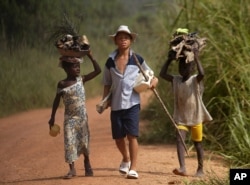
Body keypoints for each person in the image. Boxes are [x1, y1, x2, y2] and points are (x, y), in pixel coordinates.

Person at [101, 25, 158, 179]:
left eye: (126, 38)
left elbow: (151, 75)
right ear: (116, 41)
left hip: (133, 103)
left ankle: (133, 168)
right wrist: (104, 100)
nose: (123, 40)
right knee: (118, 138)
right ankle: (125, 158)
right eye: (120, 38)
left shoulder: (137, 59)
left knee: (132, 136)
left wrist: (154, 81)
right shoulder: (110, 61)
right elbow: (106, 83)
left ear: (131, 40)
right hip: (116, 105)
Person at [159, 48, 212, 177]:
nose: (183, 68)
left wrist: (197, 58)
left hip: (196, 117)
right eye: (181, 65)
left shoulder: (195, 80)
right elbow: (162, 74)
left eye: (187, 66)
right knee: (179, 139)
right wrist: (169, 59)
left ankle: (200, 169)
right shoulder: (176, 80)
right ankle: (182, 167)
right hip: (181, 117)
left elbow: (202, 74)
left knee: (197, 144)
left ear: (193, 68)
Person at [48, 51, 101, 179]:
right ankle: (72, 169)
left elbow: (98, 70)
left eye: (79, 66)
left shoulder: (81, 79)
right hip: (69, 119)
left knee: (84, 141)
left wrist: (90, 55)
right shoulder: (62, 84)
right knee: (69, 142)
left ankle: (87, 162)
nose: (77, 68)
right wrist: (52, 117)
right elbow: (56, 101)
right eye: (74, 66)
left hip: (82, 118)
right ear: (66, 68)